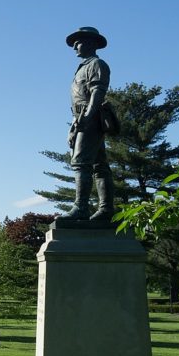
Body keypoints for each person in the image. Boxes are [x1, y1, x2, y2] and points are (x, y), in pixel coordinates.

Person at [63, 26, 115, 221]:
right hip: (81, 118)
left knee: (80, 162)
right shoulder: (83, 67)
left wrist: (88, 116)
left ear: (92, 43)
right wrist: (76, 124)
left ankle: (81, 208)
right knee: (99, 165)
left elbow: (97, 92)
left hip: (89, 117)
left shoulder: (97, 64)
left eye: (79, 41)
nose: (75, 46)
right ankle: (106, 210)